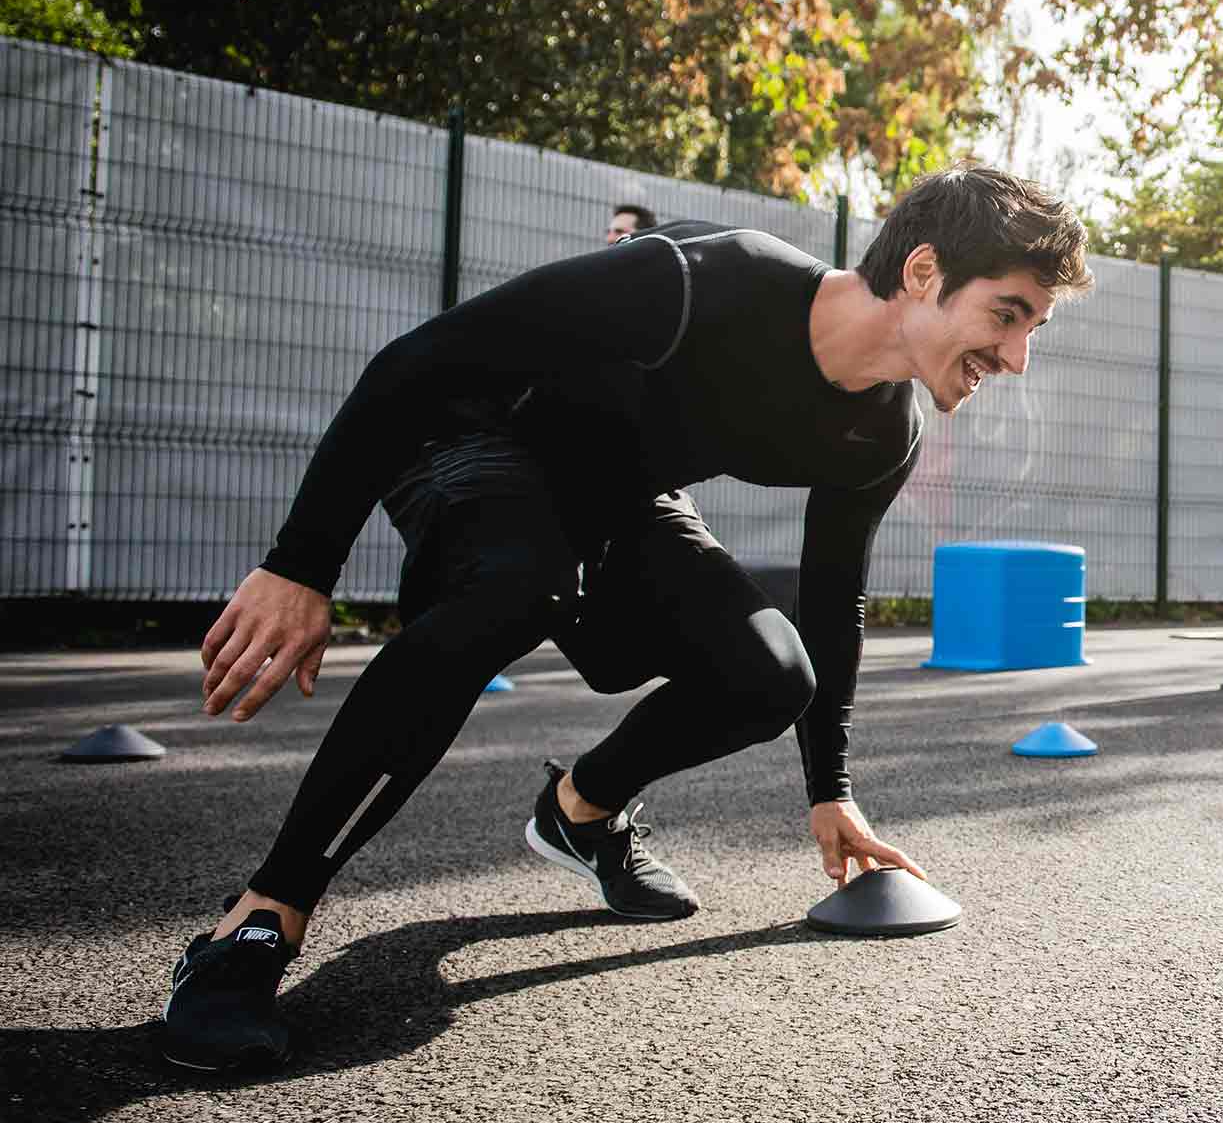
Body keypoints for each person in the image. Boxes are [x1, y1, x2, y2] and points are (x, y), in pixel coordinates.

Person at [161, 165, 1090, 1073]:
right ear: (924, 273)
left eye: (1034, 331)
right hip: (474, 437)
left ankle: (579, 814)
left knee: (773, 673)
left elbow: (831, 597)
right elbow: (416, 362)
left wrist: (830, 787)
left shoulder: (882, 434)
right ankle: (257, 922)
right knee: (512, 586)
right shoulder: (698, 281)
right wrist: (300, 566)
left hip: (618, 493)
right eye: (1007, 316)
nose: (1016, 358)